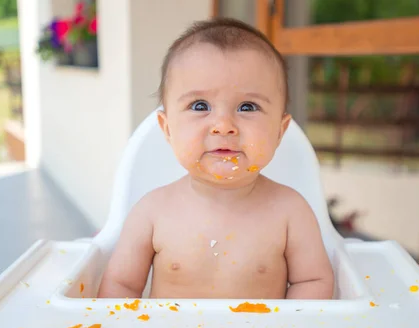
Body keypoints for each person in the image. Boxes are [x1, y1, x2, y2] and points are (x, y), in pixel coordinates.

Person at [98, 18, 334, 300]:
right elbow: (120, 286)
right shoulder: (151, 212)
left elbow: (313, 280)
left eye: (248, 106)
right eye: (200, 106)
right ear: (168, 129)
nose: (223, 125)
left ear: (280, 132)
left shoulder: (291, 212)